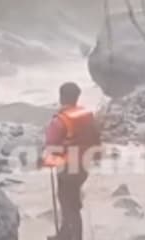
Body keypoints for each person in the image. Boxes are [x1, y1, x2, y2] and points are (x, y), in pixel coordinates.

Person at [42, 82, 101, 240]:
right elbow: (96, 137)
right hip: (83, 166)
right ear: (77, 97)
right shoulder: (86, 115)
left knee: (68, 204)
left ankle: (74, 237)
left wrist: (48, 161)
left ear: (61, 97)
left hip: (67, 168)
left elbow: (52, 145)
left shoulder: (60, 120)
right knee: (70, 200)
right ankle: (64, 234)